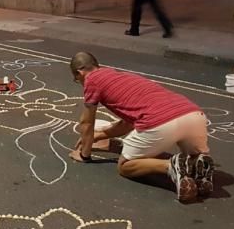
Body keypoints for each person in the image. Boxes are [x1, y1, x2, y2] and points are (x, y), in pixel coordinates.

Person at [68, 52, 213, 203]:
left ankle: (171, 165)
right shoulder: (120, 77)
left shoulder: (92, 79)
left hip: (161, 122)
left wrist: (84, 154)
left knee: (125, 166)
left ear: (79, 72)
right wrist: (99, 136)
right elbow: (128, 123)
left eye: (76, 80)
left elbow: (86, 122)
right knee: (193, 154)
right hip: (194, 115)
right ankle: (198, 163)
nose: (79, 83)